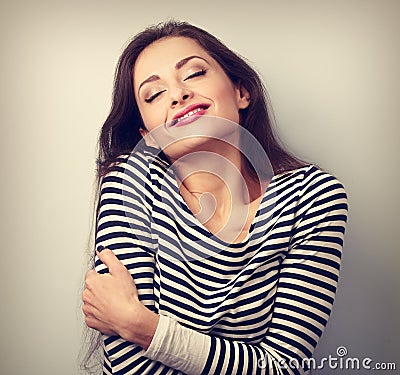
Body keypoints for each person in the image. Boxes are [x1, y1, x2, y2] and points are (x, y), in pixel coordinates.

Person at [81, 20, 348, 375]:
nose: (177, 95)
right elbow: (132, 365)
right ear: (149, 135)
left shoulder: (313, 197)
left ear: (241, 92)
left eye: (193, 73)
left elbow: (283, 366)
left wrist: (142, 327)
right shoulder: (130, 182)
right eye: (153, 94)